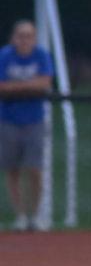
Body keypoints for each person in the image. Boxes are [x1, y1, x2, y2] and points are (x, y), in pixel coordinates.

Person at [0, 20, 54, 232]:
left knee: (35, 169)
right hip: (8, 120)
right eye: (20, 35)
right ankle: (20, 216)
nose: (24, 40)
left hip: (34, 120)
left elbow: (45, 83)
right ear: (13, 37)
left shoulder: (41, 55)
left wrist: (14, 88)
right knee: (12, 169)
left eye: (28, 35)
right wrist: (30, 86)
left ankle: (35, 215)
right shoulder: (5, 56)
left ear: (34, 38)